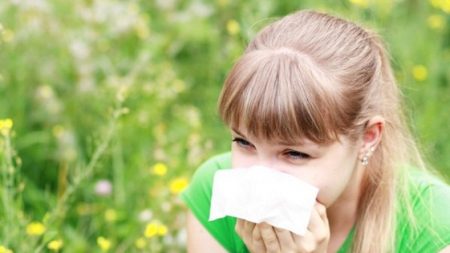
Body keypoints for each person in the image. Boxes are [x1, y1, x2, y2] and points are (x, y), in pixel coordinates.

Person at [180, 9, 450, 253]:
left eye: (295, 154)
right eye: (244, 142)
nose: (261, 176)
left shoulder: (432, 224)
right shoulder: (212, 192)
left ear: (368, 138)